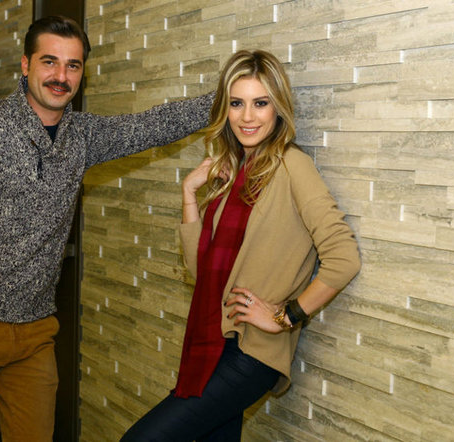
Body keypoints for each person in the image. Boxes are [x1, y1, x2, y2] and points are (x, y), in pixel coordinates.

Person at [0, 15, 214, 442]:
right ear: (25, 64)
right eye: (49, 61)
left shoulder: (82, 136)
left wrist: (231, 98)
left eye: (73, 65)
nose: (61, 76)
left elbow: (150, 126)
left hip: (35, 333)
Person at [121, 49, 361, 441]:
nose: (247, 117)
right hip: (213, 342)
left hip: (252, 352)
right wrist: (189, 194)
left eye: (260, 103)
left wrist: (286, 316)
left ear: (278, 108)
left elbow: (344, 258)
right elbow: (201, 273)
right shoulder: (234, 173)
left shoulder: (291, 165)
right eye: (237, 103)